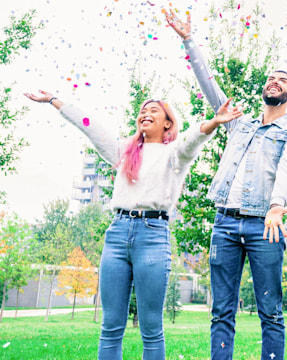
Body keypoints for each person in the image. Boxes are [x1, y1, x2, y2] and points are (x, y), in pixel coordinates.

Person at [24, 91, 242, 359]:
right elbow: (91, 126)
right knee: (110, 327)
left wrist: (214, 122)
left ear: (167, 123)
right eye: (143, 111)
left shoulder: (174, 155)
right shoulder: (124, 152)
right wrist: (54, 100)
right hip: (116, 235)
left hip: (152, 237)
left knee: (151, 328)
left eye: (153, 110)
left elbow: (191, 140)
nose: (145, 114)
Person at [165, 10, 287, 360]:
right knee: (221, 312)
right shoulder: (237, 123)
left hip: (265, 225)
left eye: (282, 80)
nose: (274, 81)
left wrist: (276, 206)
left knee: (270, 311)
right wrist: (188, 40)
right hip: (225, 224)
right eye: (271, 78)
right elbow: (209, 87)